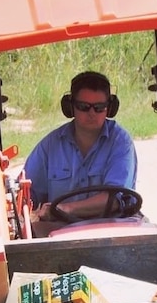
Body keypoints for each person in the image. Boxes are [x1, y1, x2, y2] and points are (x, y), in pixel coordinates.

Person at [23, 71, 138, 235]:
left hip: (113, 230)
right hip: (60, 232)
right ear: (70, 107)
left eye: (99, 108)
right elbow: (27, 193)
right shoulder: (50, 145)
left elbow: (115, 200)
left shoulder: (120, 142)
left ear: (110, 108)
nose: (92, 113)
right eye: (84, 107)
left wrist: (65, 208)